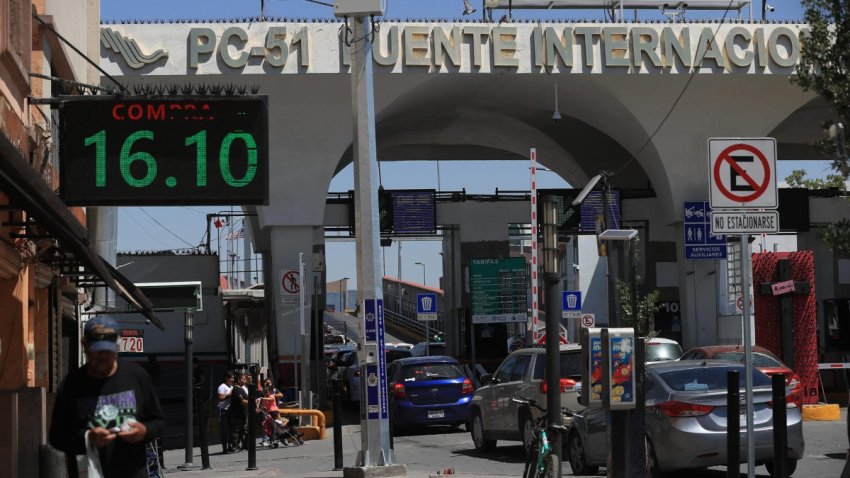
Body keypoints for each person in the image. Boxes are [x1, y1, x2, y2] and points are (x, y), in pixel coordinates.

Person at [49, 316, 164, 478]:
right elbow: (56, 437)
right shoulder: (71, 385)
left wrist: (144, 431)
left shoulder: (136, 376)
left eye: (108, 351)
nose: (102, 356)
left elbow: (158, 422)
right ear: (85, 346)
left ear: (117, 346)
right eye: (97, 351)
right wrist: (88, 437)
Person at [228, 372, 250, 451]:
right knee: (236, 430)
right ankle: (233, 446)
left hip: (242, 413)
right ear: (238, 380)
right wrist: (252, 402)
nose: (245, 380)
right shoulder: (236, 388)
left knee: (241, 430)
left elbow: (247, 399)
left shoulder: (241, 388)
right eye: (243, 379)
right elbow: (242, 401)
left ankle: (238, 445)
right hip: (236, 414)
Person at [217, 372, 235, 453]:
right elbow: (221, 398)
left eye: (233, 378)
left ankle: (230, 445)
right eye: (231, 378)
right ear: (226, 378)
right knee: (224, 429)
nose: (232, 380)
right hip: (223, 409)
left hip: (230, 409)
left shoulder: (232, 386)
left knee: (231, 428)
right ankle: (224, 447)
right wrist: (229, 395)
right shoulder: (222, 387)